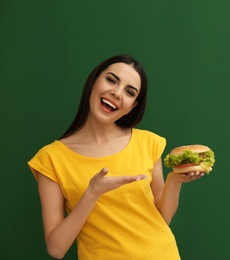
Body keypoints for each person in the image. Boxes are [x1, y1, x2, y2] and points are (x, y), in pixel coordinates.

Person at [28, 54, 204, 260]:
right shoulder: (51, 159)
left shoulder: (148, 143)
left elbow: (161, 219)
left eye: (130, 92)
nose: (117, 93)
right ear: (94, 81)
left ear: (133, 106)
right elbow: (55, 249)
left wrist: (174, 180)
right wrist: (91, 194)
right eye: (111, 80)